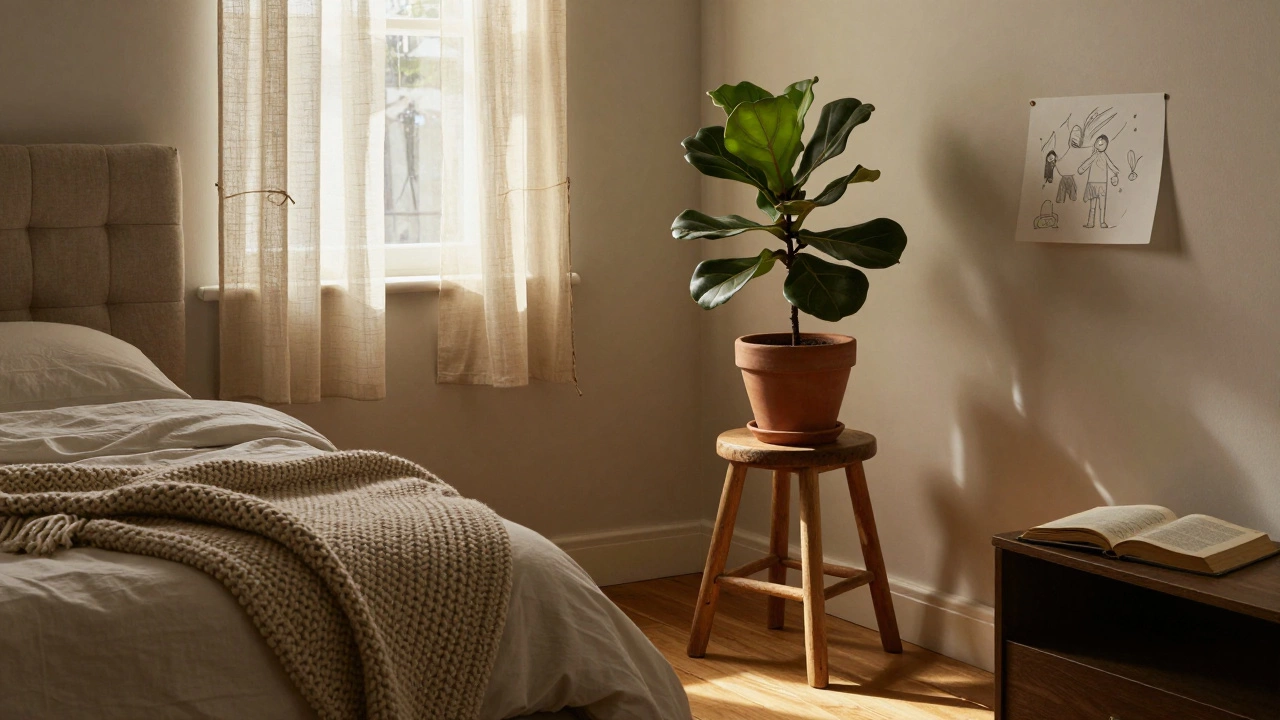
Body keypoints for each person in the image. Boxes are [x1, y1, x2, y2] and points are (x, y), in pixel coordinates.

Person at [1077, 134, 1121, 228]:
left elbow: (1110, 164)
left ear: (1106, 145)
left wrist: (1116, 172)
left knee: (1102, 204)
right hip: (1092, 183)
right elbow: (1087, 162)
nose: (1099, 144)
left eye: (1102, 143)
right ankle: (1090, 222)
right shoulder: (1094, 155)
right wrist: (1081, 169)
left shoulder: (1104, 156)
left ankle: (1102, 222)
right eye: (1098, 142)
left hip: (1102, 183)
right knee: (1092, 205)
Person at [1054, 125, 1085, 204]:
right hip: (1065, 177)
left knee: (1072, 195)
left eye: (1077, 136)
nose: (1074, 139)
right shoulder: (1069, 151)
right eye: (1073, 135)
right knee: (1062, 193)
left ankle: (1070, 199)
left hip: (1070, 177)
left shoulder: (1078, 152)